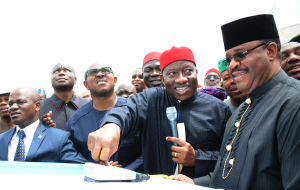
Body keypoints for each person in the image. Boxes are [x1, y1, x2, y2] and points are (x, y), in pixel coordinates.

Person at [171, 14, 300, 190]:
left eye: (241, 55)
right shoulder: (241, 111)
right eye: (229, 58)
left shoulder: (293, 103)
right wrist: (193, 184)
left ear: (271, 51)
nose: (232, 65)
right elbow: (225, 175)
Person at [87, 46, 231, 178]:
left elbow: (229, 157)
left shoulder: (219, 109)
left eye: (188, 71)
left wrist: (196, 158)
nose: (181, 79)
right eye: (172, 73)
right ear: (163, 78)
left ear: (196, 73)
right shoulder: (151, 99)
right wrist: (112, 126)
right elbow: (127, 109)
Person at [66, 64, 142, 170]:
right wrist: (99, 170)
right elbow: (72, 156)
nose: (100, 74)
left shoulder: (135, 111)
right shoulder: (75, 121)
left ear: (115, 80)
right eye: (93, 72)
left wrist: (125, 171)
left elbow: (149, 149)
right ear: (86, 84)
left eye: (106, 71)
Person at [0, 87, 88, 163]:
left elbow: (80, 168)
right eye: (11, 104)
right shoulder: (2, 139)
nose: (13, 107)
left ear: (37, 105)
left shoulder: (59, 139)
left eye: (21, 102)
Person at [39, 63, 89, 130]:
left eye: (67, 70)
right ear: (51, 81)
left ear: (75, 80)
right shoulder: (39, 107)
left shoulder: (88, 105)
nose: (61, 73)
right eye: (56, 71)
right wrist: (40, 128)